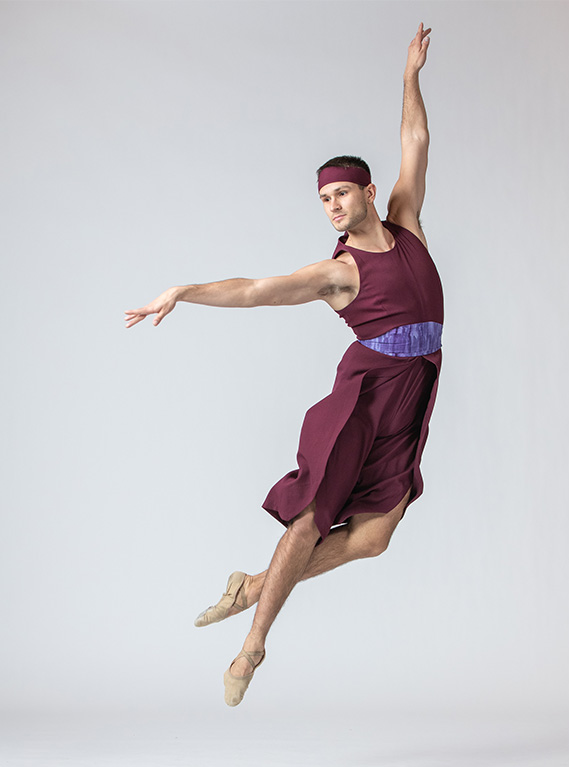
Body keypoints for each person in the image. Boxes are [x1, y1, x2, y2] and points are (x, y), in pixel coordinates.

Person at [125, 23, 440, 705]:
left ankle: (251, 583)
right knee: (313, 518)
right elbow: (256, 291)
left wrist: (410, 77)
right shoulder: (338, 272)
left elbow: (415, 141)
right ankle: (252, 645)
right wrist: (185, 289)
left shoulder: (406, 221)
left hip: (411, 395)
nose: (332, 205)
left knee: (376, 537)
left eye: (342, 193)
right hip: (362, 396)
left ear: (367, 191)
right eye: (324, 198)